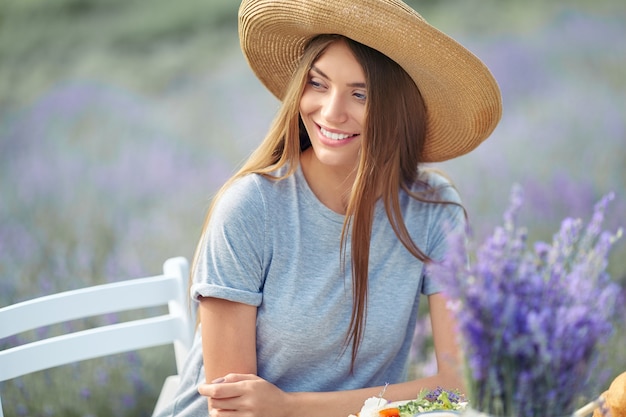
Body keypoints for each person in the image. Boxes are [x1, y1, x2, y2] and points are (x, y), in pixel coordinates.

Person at [155, 0, 501, 416]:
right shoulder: (250, 208)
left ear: (399, 109)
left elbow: (456, 388)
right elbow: (231, 409)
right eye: (318, 84)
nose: (331, 112)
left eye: (361, 94)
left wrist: (291, 407)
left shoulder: (433, 211)